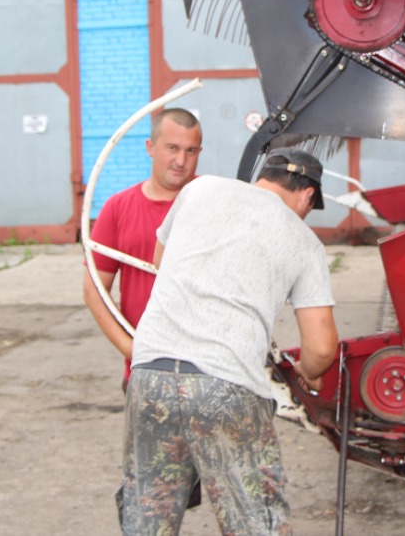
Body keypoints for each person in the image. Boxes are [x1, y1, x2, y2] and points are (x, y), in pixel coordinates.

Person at [118, 148, 339, 536]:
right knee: (256, 519)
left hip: (149, 372)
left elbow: (160, 261)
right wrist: (307, 372)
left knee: (148, 516)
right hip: (226, 385)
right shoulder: (304, 241)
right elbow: (321, 349)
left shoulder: (200, 190)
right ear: (306, 195)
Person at [83, 108, 202, 375]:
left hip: (208, 370)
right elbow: (94, 291)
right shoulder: (117, 207)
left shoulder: (212, 200)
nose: (181, 160)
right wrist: (133, 350)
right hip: (144, 372)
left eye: (191, 151)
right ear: (151, 147)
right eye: (172, 148)